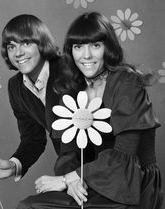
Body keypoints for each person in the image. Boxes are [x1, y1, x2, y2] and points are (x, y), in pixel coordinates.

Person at [17, 12, 164, 209]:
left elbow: (124, 155)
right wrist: (71, 182)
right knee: (29, 206)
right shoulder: (72, 86)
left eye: (95, 46)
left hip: (131, 182)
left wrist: (68, 178)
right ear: (71, 51)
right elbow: (68, 152)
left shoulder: (126, 82)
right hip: (90, 180)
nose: (86, 55)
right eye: (78, 47)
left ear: (108, 48)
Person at [0, 14, 66, 182]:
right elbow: (33, 138)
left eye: (26, 43)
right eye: (11, 46)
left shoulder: (68, 69)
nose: (18, 53)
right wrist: (15, 165)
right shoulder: (15, 87)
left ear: (42, 43)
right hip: (69, 169)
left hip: (107, 163)